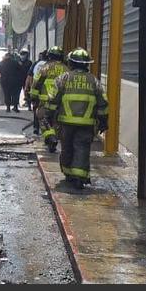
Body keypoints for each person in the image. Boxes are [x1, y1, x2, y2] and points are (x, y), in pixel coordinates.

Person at [46, 48, 109, 189]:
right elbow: (103, 103)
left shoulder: (63, 78)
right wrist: (104, 121)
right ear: (87, 64)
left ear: (71, 63)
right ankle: (79, 177)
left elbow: (52, 99)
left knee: (67, 147)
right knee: (82, 148)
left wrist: (49, 116)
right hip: (86, 124)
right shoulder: (94, 81)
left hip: (65, 123)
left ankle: (68, 173)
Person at [31, 46, 67, 151]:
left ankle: (50, 137)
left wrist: (33, 97)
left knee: (42, 119)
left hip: (45, 101)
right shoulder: (66, 69)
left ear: (49, 56)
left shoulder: (44, 68)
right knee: (56, 122)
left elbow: (36, 84)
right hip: (61, 103)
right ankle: (53, 137)